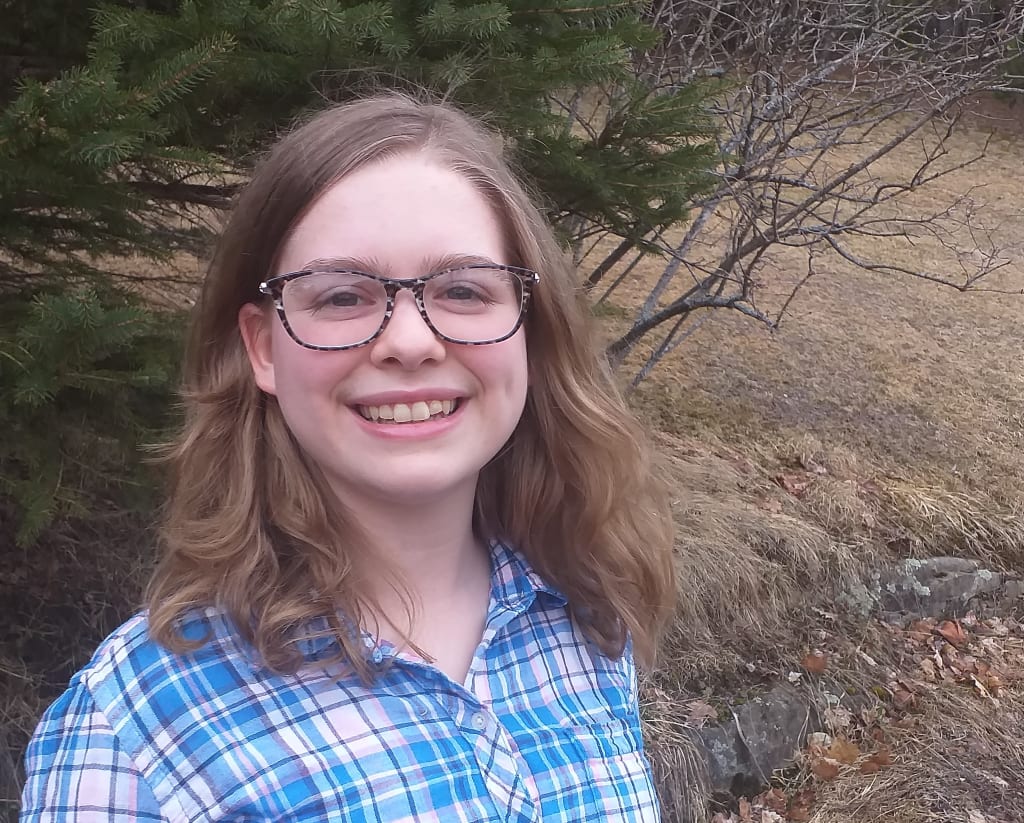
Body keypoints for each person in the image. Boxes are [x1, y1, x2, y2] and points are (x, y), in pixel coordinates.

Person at [21, 93, 676, 822]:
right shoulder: (136, 733)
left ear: (527, 325)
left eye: (462, 289)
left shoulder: (585, 620)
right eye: (341, 296)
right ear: (264, 347)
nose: (409, 340)